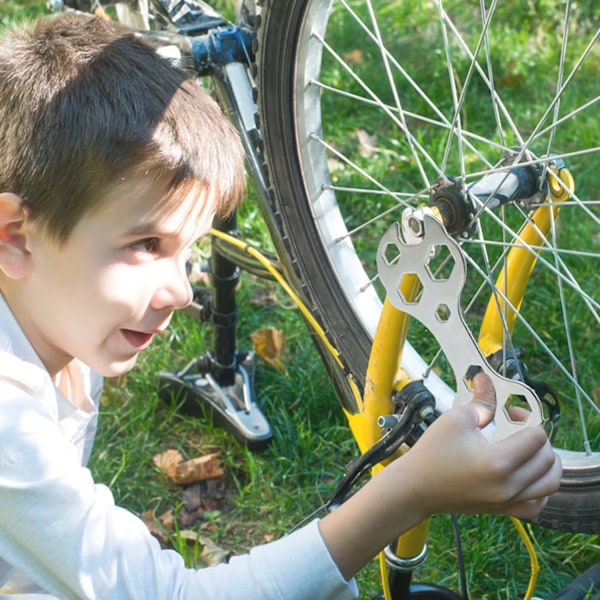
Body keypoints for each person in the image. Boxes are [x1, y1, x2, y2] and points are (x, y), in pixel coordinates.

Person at [0, 12, 561, 599]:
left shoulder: (57, 310)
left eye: (188, 250)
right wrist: (410, 490)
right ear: (15, 235)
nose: (182, 292)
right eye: (146, 245)